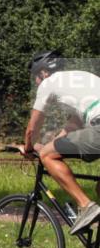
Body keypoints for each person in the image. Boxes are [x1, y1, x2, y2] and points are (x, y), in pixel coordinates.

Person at [21, 50, 100, 235]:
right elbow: (74, 125)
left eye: (36, 76)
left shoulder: (48, 83)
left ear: (44, 72)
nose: (36, 82)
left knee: (47, 155)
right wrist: (52, 143)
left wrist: (29, 148)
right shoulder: (82, 77)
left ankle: (86, 206)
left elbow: (32, 128)